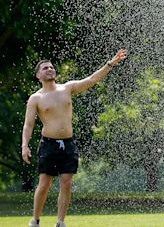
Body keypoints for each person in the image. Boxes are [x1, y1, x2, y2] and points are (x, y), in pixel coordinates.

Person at [22, 49, 127, 227]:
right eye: (45, 68)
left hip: (68, 143)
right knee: (45, 183)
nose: (50, 69)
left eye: (52, 67)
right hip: (48, 144)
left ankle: (60, 222)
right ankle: (35, 220)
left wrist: (110, 64)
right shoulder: (35, 98)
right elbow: (28, 124)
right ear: (38, 75)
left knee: (66, 182)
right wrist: (25, 145)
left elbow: (92, 79)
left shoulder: (67, 88)